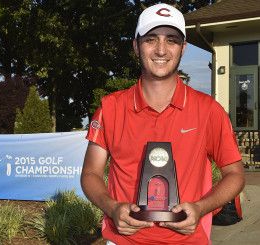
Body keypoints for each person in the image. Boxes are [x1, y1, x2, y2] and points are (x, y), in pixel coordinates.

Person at [81, 3, 245, 245]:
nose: (161, 50)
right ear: (136, 46)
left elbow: (235, 175)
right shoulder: (110, 108)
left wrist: (201, 208)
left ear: (183, 48)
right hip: (122, 241)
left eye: (171, 40)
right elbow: (90, 173)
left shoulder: (209, 109)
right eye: (151, 39)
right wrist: (113, 207)